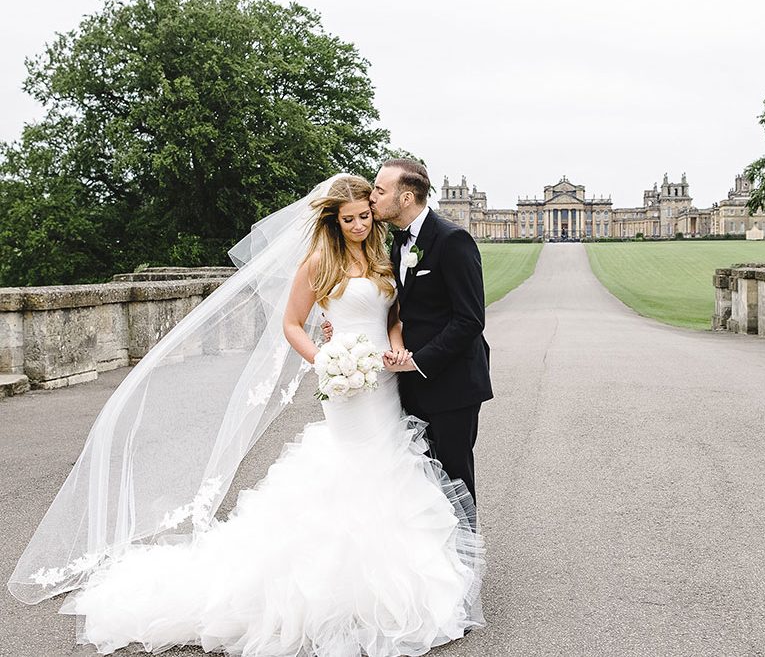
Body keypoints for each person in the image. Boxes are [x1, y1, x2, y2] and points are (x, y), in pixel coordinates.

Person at [11, 175, 484, 656]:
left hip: (385, 380)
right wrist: (324, 360)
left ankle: (400, 584)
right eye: (350, 218)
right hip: (345, 382)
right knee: (351, 473)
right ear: (333, 220)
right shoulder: (319, 260)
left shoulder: (385, 255)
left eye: (366, 214)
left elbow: (393, 319)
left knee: (394, 473)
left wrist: (398, 353)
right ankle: (332, 594)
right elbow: (291, 323)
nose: (361, 223)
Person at [330, 159, 493, 508]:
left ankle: (465, 562)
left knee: (455, 478)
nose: (371, 197)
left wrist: (419, 363)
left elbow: (469, 320)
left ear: (405, 198)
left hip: (453, 384)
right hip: (409, 383)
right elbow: (400, 310)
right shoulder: (397, 244)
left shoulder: (453, 240)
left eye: (379, 190)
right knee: (421, 479)